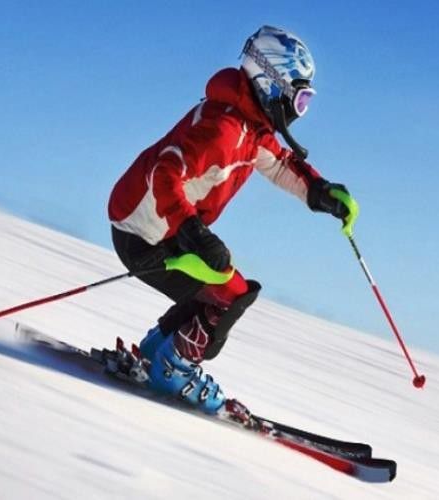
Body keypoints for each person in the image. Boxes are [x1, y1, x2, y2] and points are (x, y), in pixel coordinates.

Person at [107, 26, 356, 419]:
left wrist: (320, 191)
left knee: (219, 283)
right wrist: (193, 232)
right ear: (272, 83)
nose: (300, 110)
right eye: (300, 98)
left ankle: (158, 353)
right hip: (143, 233)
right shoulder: (224, 130)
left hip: (162, 228)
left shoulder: (250, 127)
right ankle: (173, 369)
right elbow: (165, 170)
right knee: (229, 291)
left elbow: (281, 164)